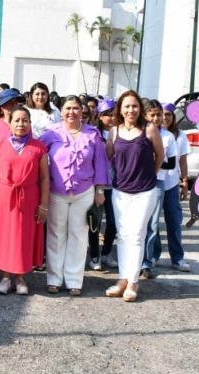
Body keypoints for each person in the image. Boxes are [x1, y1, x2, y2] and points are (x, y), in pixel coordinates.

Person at [39, 96, 110, 296]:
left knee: (79, 236)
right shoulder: (51, 133)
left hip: (84, 192)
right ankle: (54, 278)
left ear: (82, 111)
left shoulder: (92, 134)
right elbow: (36, 154)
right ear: (61, 111)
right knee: (55, 235)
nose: (72, 112)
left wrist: (100, 190)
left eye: (76, 108)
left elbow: (100, 163)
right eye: (68, 108)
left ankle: (74, 281)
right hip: (56, 192)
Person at [104, 90, 164, 302]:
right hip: (120, 191)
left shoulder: (149, 129)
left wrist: (150, 175)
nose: (131, 110)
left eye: (135, 106)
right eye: (127, 106)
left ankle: (133, 282)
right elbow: (107, 157)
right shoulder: (114, 132)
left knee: (137, 235)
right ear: (120, 109)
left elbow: (160, 156)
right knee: (123, 235)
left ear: (140, 109)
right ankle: (122, 278)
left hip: (145, 191)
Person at [0, 106, 49, 295]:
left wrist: (44, 204)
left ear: (30, 123)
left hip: (28, 197)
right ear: (10, 123)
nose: (21, 124)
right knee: (4, 236)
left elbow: (44, 178)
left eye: (25, 120)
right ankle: (5, 278)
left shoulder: (39, 147)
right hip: (3, 196)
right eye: (17, 120)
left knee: (23, 237)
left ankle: (20, 278)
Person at [141, 99, 178, 279]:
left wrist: (155, 158)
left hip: (157, 183)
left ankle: (147, 263)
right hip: (136, 183)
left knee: (152, 224)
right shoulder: (139, 132)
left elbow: (171, 162)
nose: (156, 118)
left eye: (159, 115)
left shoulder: (168, 137)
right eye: (152, 115)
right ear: (145, 115)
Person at [158, 103, 191, 272]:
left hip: (171, 185)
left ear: (173, 117)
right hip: (155, 183)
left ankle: (177, 258)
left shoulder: (180, 136)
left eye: (168, 114)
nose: (164, 118)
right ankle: (153, 256)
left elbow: (182, 161)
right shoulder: (152, 133)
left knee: (174, 222)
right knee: (152, 223)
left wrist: (184, 182)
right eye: (161, 114)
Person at [88, 98, 118, 271]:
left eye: (113, 115)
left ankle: (107, 252)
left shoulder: (120, 133)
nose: (111, 119)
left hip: (115, 186)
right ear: (99, 116)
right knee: (95, 222)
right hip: (97, 185)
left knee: (113, 223)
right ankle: (94, 255)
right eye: (107, 115)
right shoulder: (94, 134)